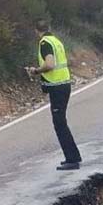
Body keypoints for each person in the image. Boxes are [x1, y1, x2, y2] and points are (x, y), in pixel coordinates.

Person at [26, 20, 81, 171]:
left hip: (57, 87)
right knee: (61, 122)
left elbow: (49, 64)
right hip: (64, 84)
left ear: (36, 30)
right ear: (48, 28)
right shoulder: (56, 40)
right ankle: (73, 157)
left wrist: (36, 71)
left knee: (59, 123)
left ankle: (72, 159)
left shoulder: (44, 43)